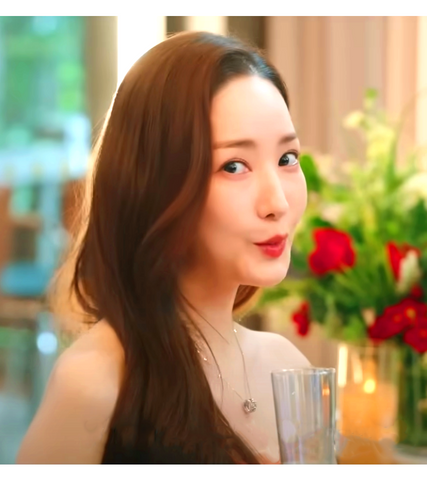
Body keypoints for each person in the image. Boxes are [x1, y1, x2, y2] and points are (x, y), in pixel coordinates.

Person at [16, 30, 310, 464]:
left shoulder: (289, 369)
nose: (278, 203)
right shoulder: (96, 384)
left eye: (287, 159)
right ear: (155, 186)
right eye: (234, 166)